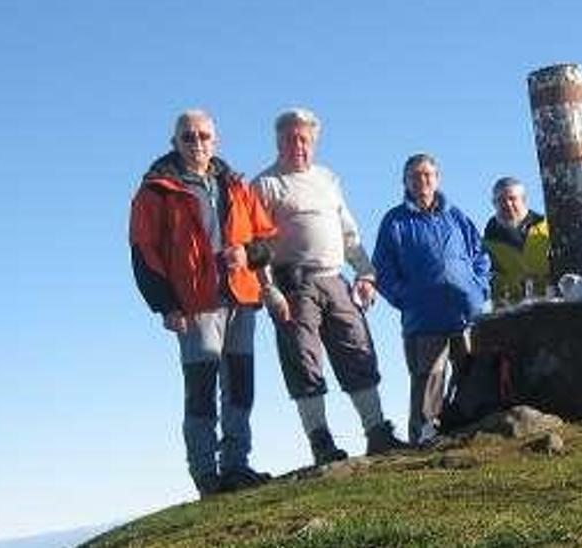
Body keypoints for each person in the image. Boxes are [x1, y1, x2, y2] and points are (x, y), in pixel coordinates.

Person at [129, 110, 277, 497]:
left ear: (217, 140)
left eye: (204, 136)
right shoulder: (156, 190)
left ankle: (236, 466)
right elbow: (143, 252)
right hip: (195, 303)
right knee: (201, 388)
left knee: (240, 386)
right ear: (175, 142)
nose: (198, 143)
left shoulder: (235, 185)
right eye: (189, 137)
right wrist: (165, 305)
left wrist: (247, 254)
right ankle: (205, 474)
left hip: (241, 298)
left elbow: (267, 240)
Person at [251, 108, 409, 465]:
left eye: (304, 138)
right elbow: (254, 243)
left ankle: (377, 433)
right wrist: (267, 288)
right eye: (290, 138)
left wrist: (366, 273)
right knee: (303, 361)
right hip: (292, 283)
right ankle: (321, 443)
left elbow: (348, 232)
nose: (298, 145)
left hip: (335, 278)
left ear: (314, 141)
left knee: (357, 350)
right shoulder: (265, 185)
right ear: (278, 142)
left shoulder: (327, 179)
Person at [373, 153, 491, 444]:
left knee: (469, 371)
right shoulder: (395, 221)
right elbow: (383, 271)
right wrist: (407, 298)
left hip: (464, 312)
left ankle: (467, 424)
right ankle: (425, 435)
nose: (422, 181)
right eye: (415, 176)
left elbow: (480, 256)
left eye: (427, 175)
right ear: (405, 182)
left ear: (437, 179)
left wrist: (478, 289)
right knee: (428, 378)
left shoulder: (456, 216)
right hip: (423, 318)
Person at [482, 176, 550, 308]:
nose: (507, 204)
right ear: (493, 204)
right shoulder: (486, 243)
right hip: (511, 313)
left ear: (524, 200)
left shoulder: (547, 229)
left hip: (552, 305)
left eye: (512, 198)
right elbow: (485, 280)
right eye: (501, 200)